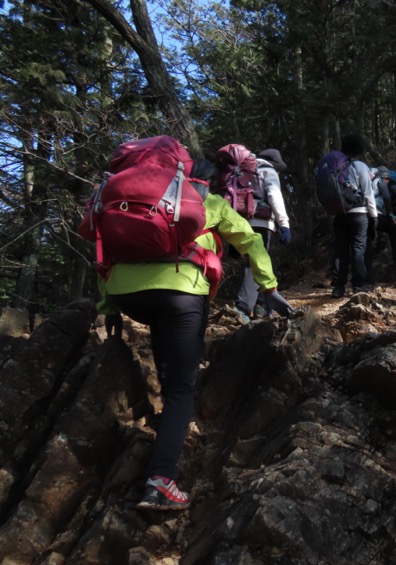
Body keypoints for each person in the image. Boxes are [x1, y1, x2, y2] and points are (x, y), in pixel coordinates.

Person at [98, 159, 292, 511]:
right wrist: (269, 286)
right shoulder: (207, 201)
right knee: (181, 386)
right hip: (181, 292)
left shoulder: (130, 201)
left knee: (166, 351)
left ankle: (167, 424)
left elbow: (103, 248)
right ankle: (160, 482)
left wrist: (108, 306)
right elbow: (249, 239)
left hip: (127, 294)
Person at [235, 148, 292, 323]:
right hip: (261, 222)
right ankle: (242, 307)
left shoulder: (241, 172)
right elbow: (275, 196)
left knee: (253, 262)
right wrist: (284, 224)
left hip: (240, 222)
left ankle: (260, 307)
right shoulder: (269, 171)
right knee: (256, 263)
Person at [330, 134, 378, 298]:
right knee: (358, 248)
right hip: (358, 214)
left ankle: (338, 287)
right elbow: (368, 192)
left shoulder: (336, 167)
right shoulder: (359, 166)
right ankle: (359, 285)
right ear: (359, 150)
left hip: (339, 214)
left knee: (340, 250)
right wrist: (374, 214)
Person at [369, 167, 396, 268]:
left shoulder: (372, 184)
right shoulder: (394, 185)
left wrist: (391, 215)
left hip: (365, 215)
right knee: (393, 228)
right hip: (376, 213)